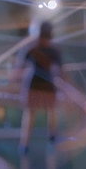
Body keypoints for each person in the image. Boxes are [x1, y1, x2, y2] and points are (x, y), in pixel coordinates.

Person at [17, 21, 62, 159]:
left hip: (39, 84)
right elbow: (59, 71)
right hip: (42, 84)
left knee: (37, 113)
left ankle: (26, 145)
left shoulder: (33, 49)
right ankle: (44, 141)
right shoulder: (51, 50)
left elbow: (20, 67)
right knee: (43, 113)